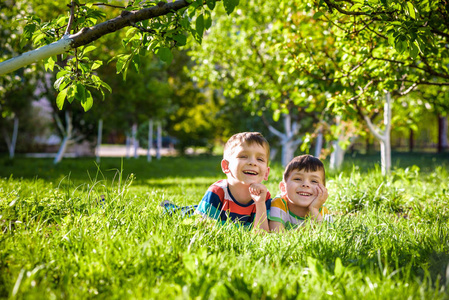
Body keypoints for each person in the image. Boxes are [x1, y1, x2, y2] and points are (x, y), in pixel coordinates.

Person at [161, 132, 272, 232]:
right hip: (204, 212)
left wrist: (260, 203)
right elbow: (201, 228)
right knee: (183, 213)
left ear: (266, 173)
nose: (253, 162)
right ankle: (169, 207)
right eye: (243, 156)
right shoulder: (217, 191)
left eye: (260, 159)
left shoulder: (264, 196)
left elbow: (261, 235)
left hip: (217, 213)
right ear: (226, 166)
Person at [268, 154, 332, 232]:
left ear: (323, 190)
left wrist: (314, 209)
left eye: (314, 181)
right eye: (298, 179)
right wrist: (311, 226)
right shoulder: (279, 204)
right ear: (283, 187)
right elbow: (277, 235)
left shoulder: (322, 211)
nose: (305, 184)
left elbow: (328, 235)